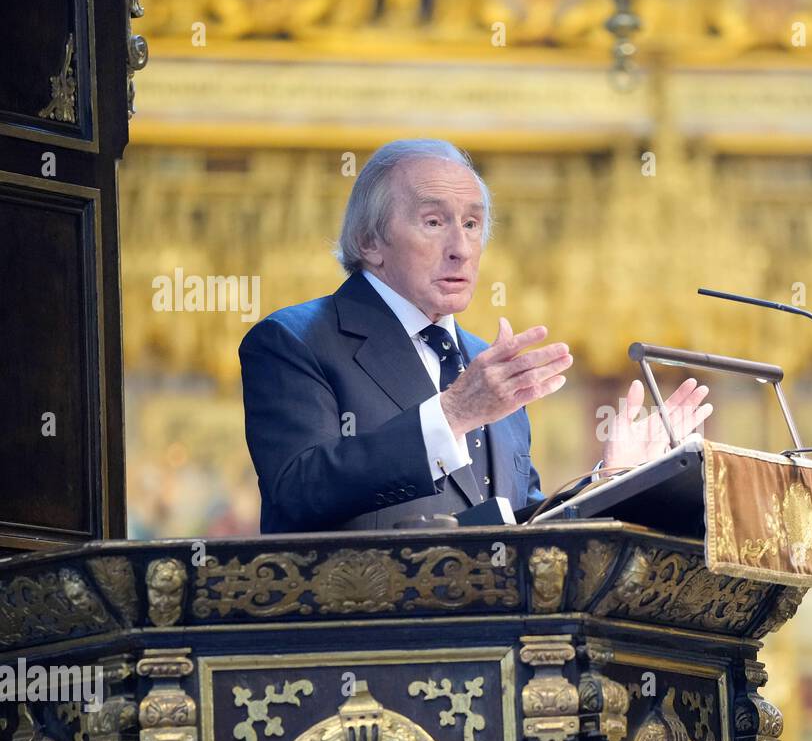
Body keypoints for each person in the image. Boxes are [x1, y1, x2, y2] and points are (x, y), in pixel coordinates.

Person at [239, 139, 711, 532]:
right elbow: (299, 492)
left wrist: (612, 484)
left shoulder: (486, 365)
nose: (461, 249)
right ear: (369, 242)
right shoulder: (294, 341)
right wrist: (453, 414)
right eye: (434, 222)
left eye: (471, 224)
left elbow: (520, 529)